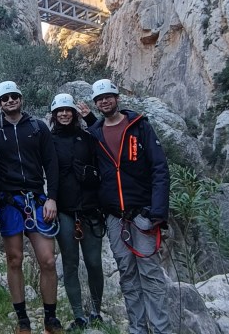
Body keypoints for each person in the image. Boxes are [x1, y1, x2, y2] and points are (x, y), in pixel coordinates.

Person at [86, 79, 171, 334]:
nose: (104, 101)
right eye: (100, 98)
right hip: (114, 217)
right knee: (127, 274)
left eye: (108, 96)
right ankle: (137, 329)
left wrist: (158, 212)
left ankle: (161, 329)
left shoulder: (139, 126)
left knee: (151, 274)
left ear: (117, 97)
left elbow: (160, 169)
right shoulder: (96, 133)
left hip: (143, 214)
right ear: (96, 103)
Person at [0, 81, 63, 334]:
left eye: (14, 96)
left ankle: (50, 318)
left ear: (20, 99)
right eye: (5, 98)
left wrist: (52, 197)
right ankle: (22, 319)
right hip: (9, 201)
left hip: (37, 199)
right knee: (14, 259)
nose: (10, 101)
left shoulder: (37, 127)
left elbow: (51, 163)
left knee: (48, 260)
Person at [48, 93, 105, 332]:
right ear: (54, 114)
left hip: (90, 209)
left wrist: (91, 117)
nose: (64, 114)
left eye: (67, 110)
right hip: (64, 210)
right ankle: (79, 315)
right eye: (59, 111)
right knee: (70, 264)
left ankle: (96, 311)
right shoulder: (48, 140)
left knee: (93, 263)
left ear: (73, 113)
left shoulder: (87, 137)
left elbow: (105, 138)